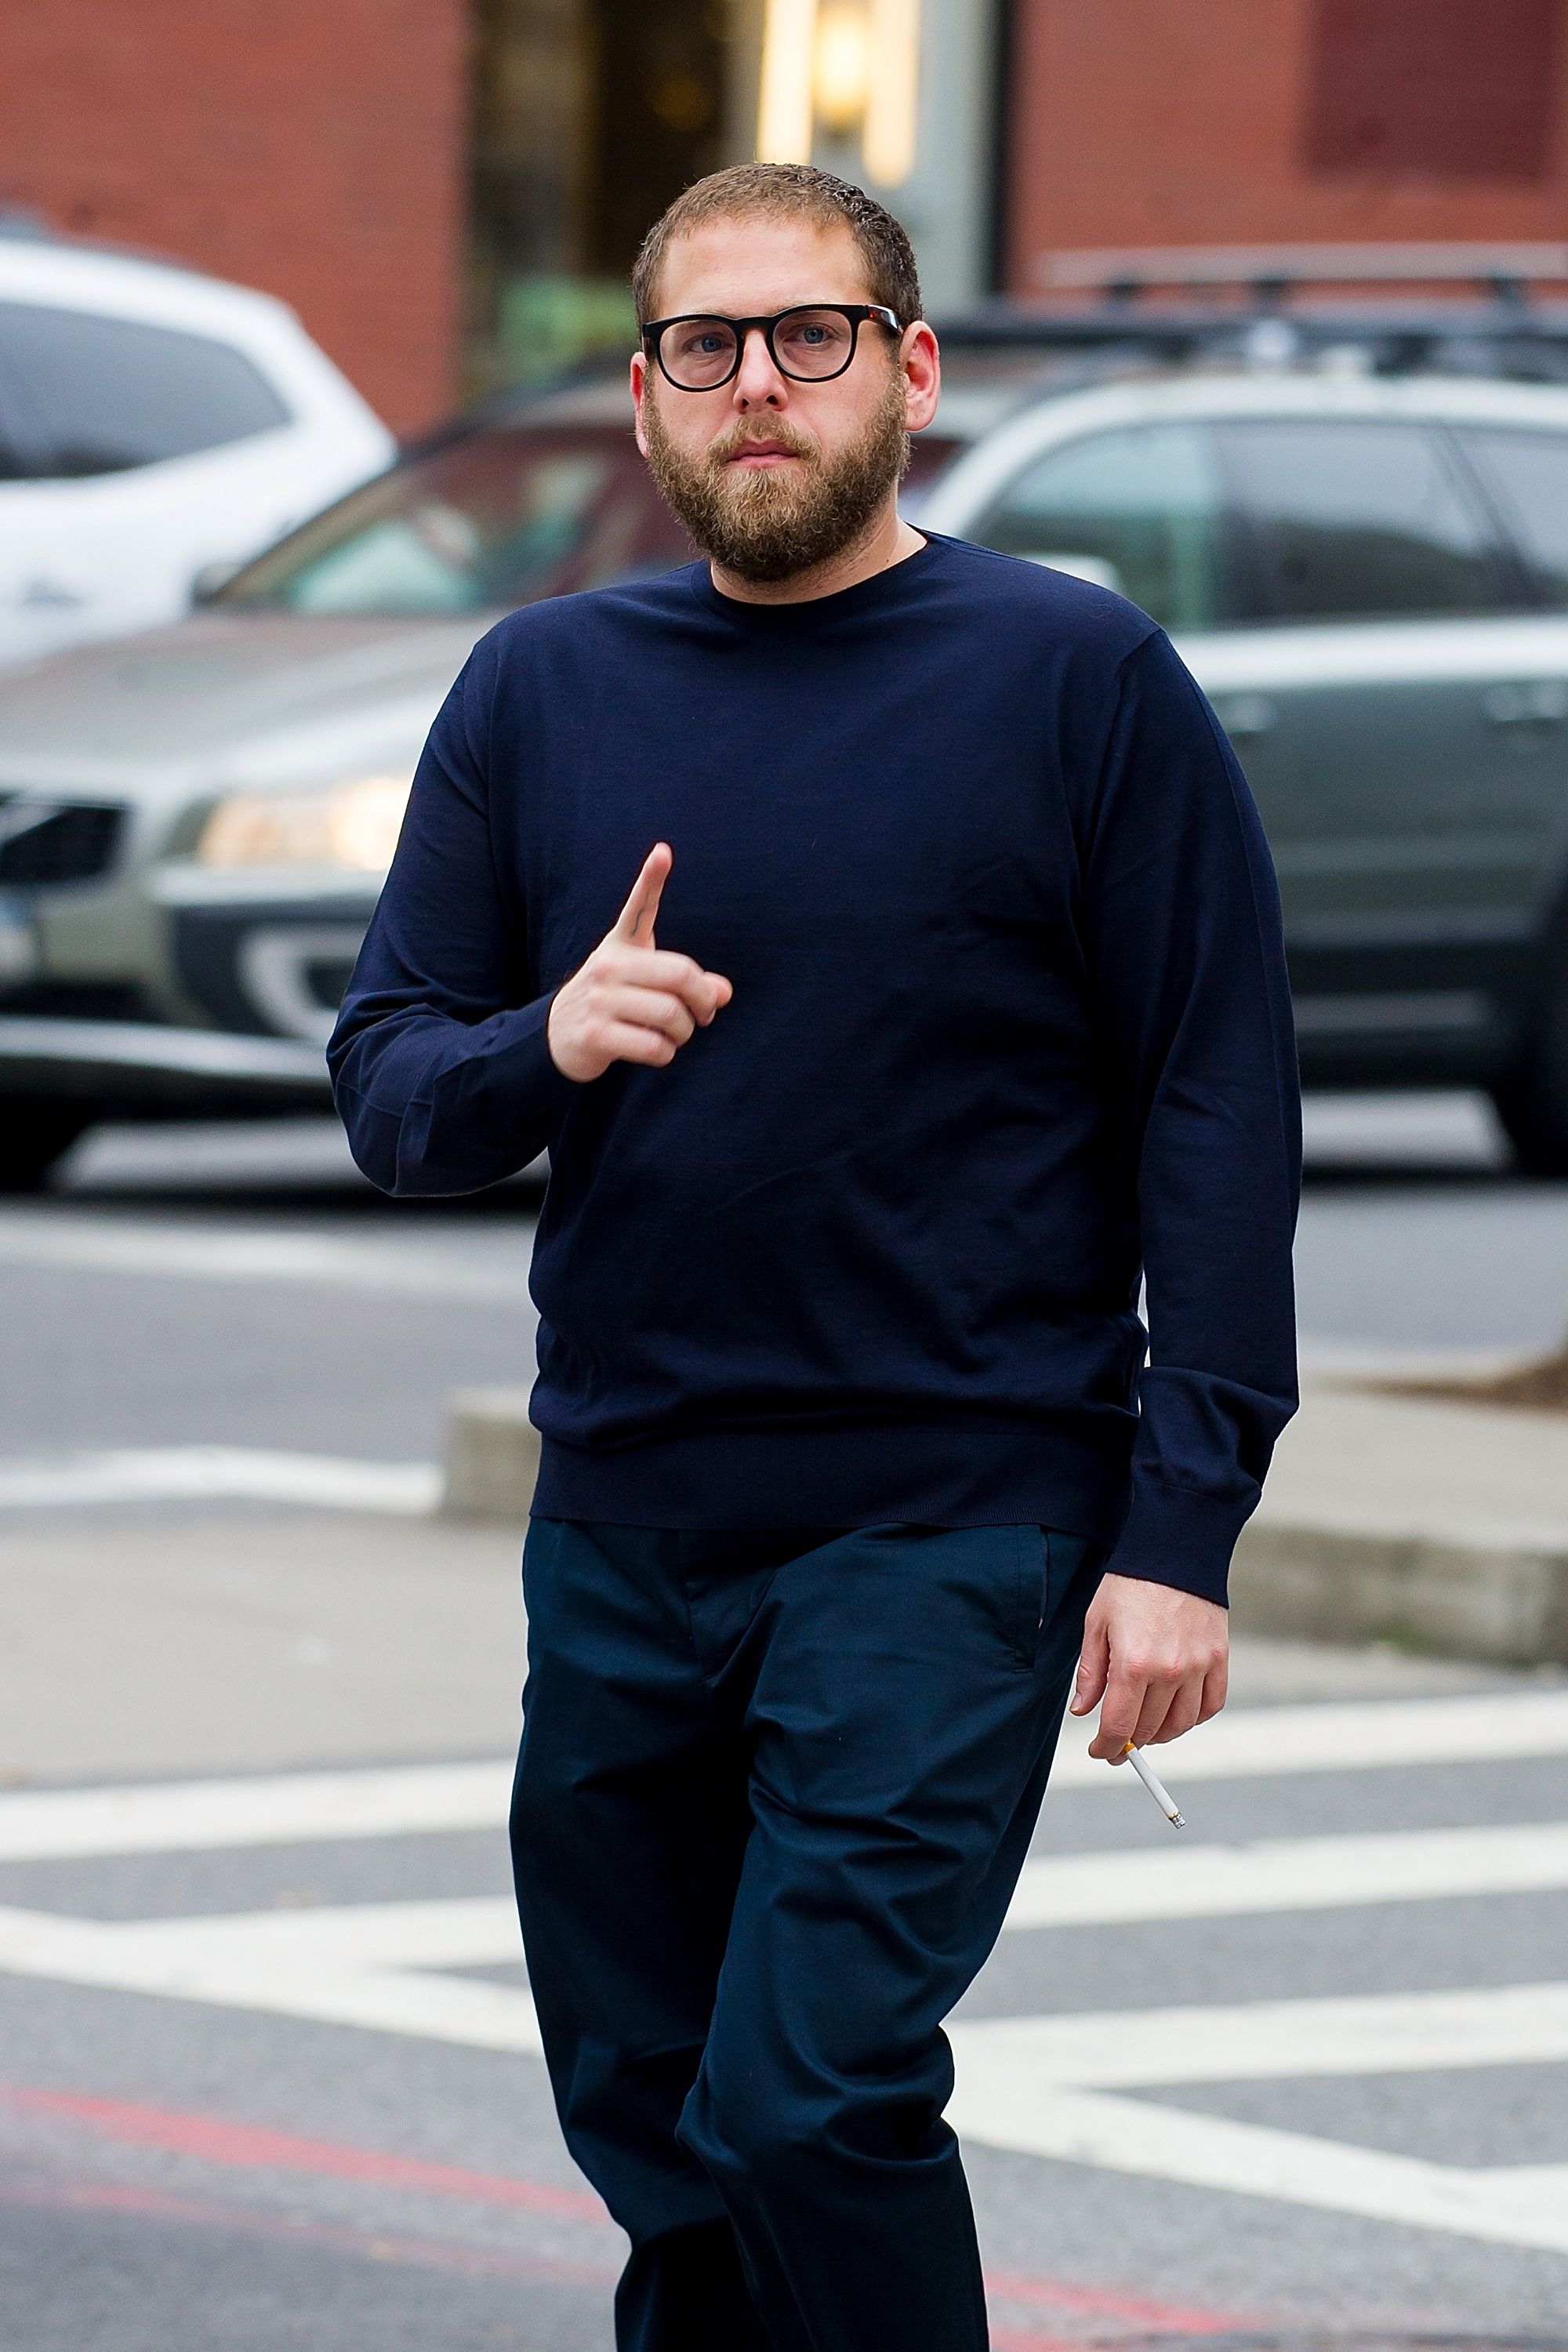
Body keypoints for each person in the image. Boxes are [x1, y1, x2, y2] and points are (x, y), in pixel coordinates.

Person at [328, 162, 1301, 2352]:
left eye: (812, 336)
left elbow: (1219, 1112)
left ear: (911, 370)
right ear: (649, 405)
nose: (756, 383)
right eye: (703, 347)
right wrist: (542, 1045)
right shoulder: (539, 687)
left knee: (806, 2098)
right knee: (658, 2121)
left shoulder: (1077, 679)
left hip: (950, 1516)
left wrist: (1186, 1527)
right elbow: (391, 1082)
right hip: (630, 1516)